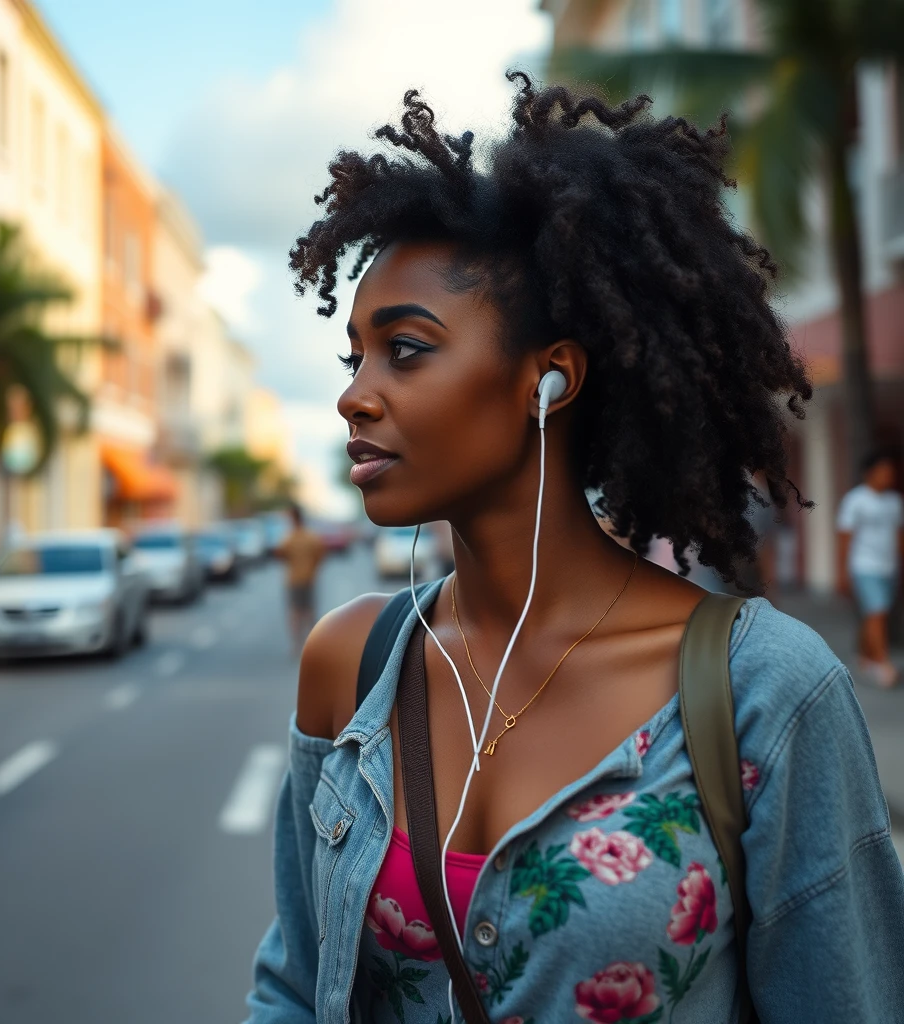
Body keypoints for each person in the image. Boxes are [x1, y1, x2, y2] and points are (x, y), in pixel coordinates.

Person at [245, 77, 904, 1023]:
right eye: (355, 356)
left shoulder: (764, 694)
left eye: (408, 350)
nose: (356, 394)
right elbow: (296, 985)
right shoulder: (352, 668)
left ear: (549, 380)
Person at [837, 451, 904, 687]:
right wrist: (842, 572)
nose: (888, 476)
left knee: (874, 614)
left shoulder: (894, 502)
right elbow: (845, 538)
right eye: (883, 471)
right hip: (864, 565)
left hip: (889, 568)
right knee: (877, 612)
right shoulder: (855, 500)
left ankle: (864, 655)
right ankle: (882, 664)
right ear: (870, 473)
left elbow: (898, 536)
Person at [275, 504, 326, 654]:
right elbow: (321, 553)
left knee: (296, 613)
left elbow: (279, 554)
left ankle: (297, 645)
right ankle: (312, 643)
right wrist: (313, 568)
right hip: (309, 578)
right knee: (309, 612)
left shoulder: (289, 537)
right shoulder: (311, 536)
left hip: (294, 580)